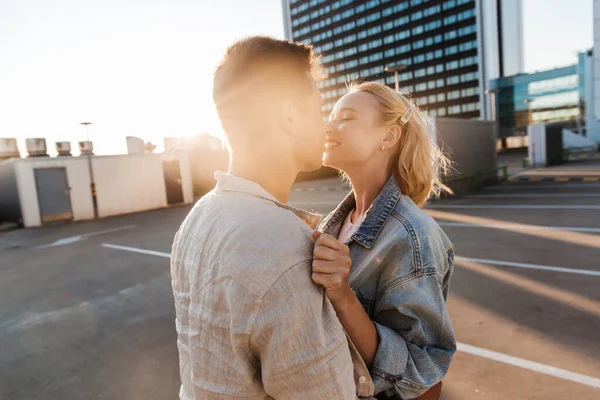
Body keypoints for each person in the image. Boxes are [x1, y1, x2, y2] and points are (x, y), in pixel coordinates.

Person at [170, 36, 374, 399]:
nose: (326, 126)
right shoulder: (286, 249)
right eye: (317, 109)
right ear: (290, 115)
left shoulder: (197, 219)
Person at [312, 81, 456, 399]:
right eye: (330, 116)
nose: (328, 126)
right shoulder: (333, 223)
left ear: (389, 136)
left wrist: (342, 294)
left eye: (346, 118)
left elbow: (425, 374)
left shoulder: (413, 235)